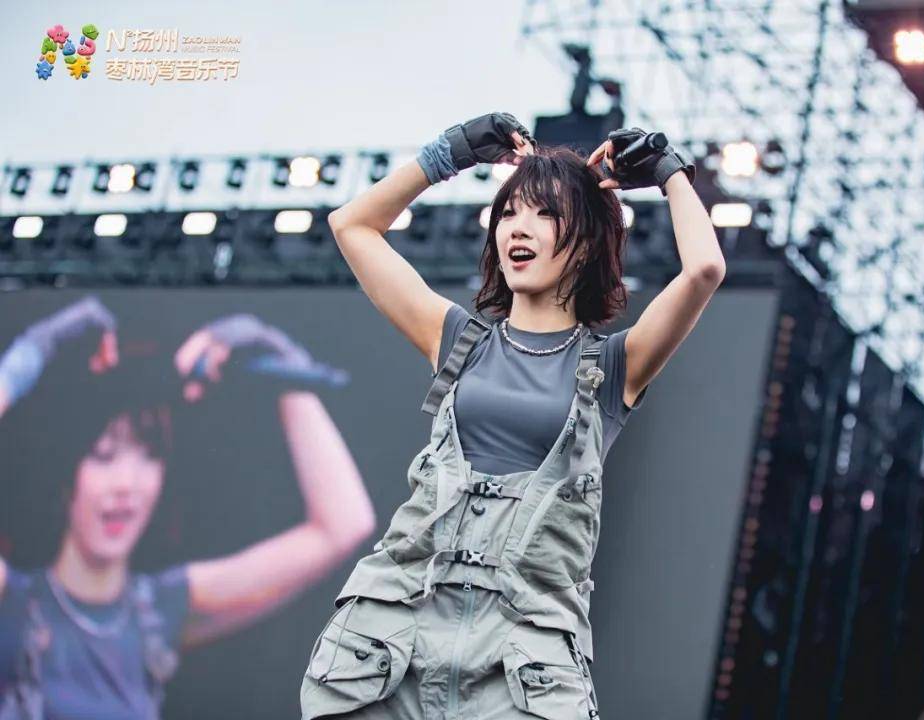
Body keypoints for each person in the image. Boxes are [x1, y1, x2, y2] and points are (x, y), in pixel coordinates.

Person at [300, 111, 725, 719]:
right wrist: (449, 153)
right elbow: (353, 226)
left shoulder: (614, 366)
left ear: (587, 243)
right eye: (509, 213)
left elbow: (705, 270)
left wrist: (667, 169)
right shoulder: (458, 339)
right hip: (391, 638)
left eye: (546, 214)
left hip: (523, 664)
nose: (518, 228)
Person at [0, 296, 377, 720]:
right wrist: (29, 357)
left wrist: (286, 372)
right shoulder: (12, 603)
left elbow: (343, 524)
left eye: (150, 455)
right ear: (67, 475)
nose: (127, 484)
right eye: (104, 456)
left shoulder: (159, 612)